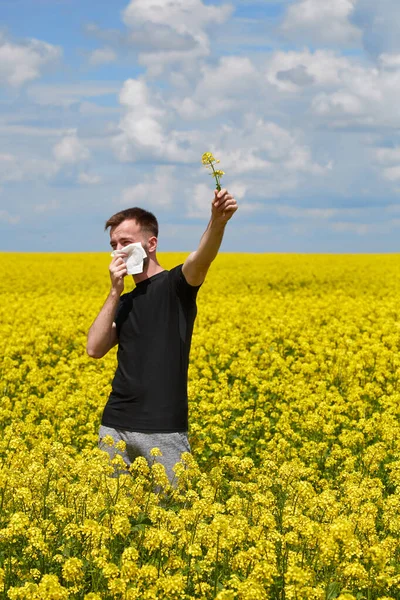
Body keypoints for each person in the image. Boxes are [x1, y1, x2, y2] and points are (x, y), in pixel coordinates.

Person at [86, 188, 238, 483]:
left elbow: (201, 258)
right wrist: (115, 291)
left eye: (126, 242)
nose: (118, 250)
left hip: (163, 429)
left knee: (173, 511)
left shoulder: (175, 287)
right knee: (110, 516)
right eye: (113, 244)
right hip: (114, 425)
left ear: (151, 243)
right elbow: (94, 348)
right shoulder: (125, 302)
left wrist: (217, 222)